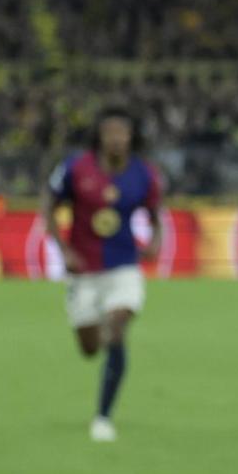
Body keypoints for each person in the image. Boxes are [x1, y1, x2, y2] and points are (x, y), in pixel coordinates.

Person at [40, 108, 163, 442]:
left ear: (131, 137)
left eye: (122, 133)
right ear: (99, 136)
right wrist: (63, 250)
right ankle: (103, 336)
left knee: (118, 326)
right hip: (84, 271)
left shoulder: (144, 173)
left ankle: (103, 417)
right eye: (110, 133)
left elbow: (155, 213)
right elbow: (49, 205)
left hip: (124, 267)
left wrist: (155, 241)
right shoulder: (76, 168)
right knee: (90, 348)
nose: (116, 139)